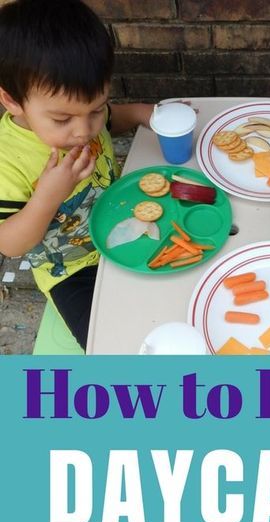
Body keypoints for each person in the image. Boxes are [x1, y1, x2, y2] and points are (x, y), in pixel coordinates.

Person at [0, 0, 154, 351]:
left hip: (124, 227)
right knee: (108, 344)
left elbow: (116, 118)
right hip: (71, 271)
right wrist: (49, 195)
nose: (84, 130)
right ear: (12, 101)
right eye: (62, 120)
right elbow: (9, 243)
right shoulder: (7, 160)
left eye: (96, 109)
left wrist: (145, 113)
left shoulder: (83, 116)